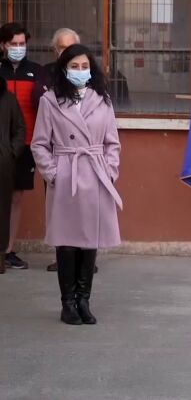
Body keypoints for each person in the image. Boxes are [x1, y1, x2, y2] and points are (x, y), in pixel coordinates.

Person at [31, 44, 123, 325]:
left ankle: (84, 300)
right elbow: (39, 143)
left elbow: (112, 143)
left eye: (84, 67)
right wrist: (54, 173)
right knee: (67, 243)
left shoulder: (103, 100)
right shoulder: (50, 101)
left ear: (91, 69)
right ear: (64, 69)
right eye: (74, 67)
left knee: (89, 241)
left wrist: (109, 171)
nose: (80, 71)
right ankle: (68, 303)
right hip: (66, 176)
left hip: (95, 175)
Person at [33, 27, 80, 272]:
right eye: (62, 48)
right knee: (58, 210)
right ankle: (61, 257)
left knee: (84, 208)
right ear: (55, 50)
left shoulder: (87, 73)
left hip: (85, 158)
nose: (66, 52)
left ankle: (84, 257)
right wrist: (51, 171)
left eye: (70, 47)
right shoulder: (46, 73)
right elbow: (38, 99)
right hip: (56, 155)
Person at [0, 22, 43, 269]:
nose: (18, 48)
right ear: (3, 45)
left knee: (16, 197)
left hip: (26, 144)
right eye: (13, 44)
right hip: (2, 146)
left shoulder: (36, 72)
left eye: (22, 44)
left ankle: (8, 250)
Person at [0, 76, 26, 275]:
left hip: (3, 164)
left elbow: (19, 128)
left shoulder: (8, 99)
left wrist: (11, 152)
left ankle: (1, 257)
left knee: (2, 211)